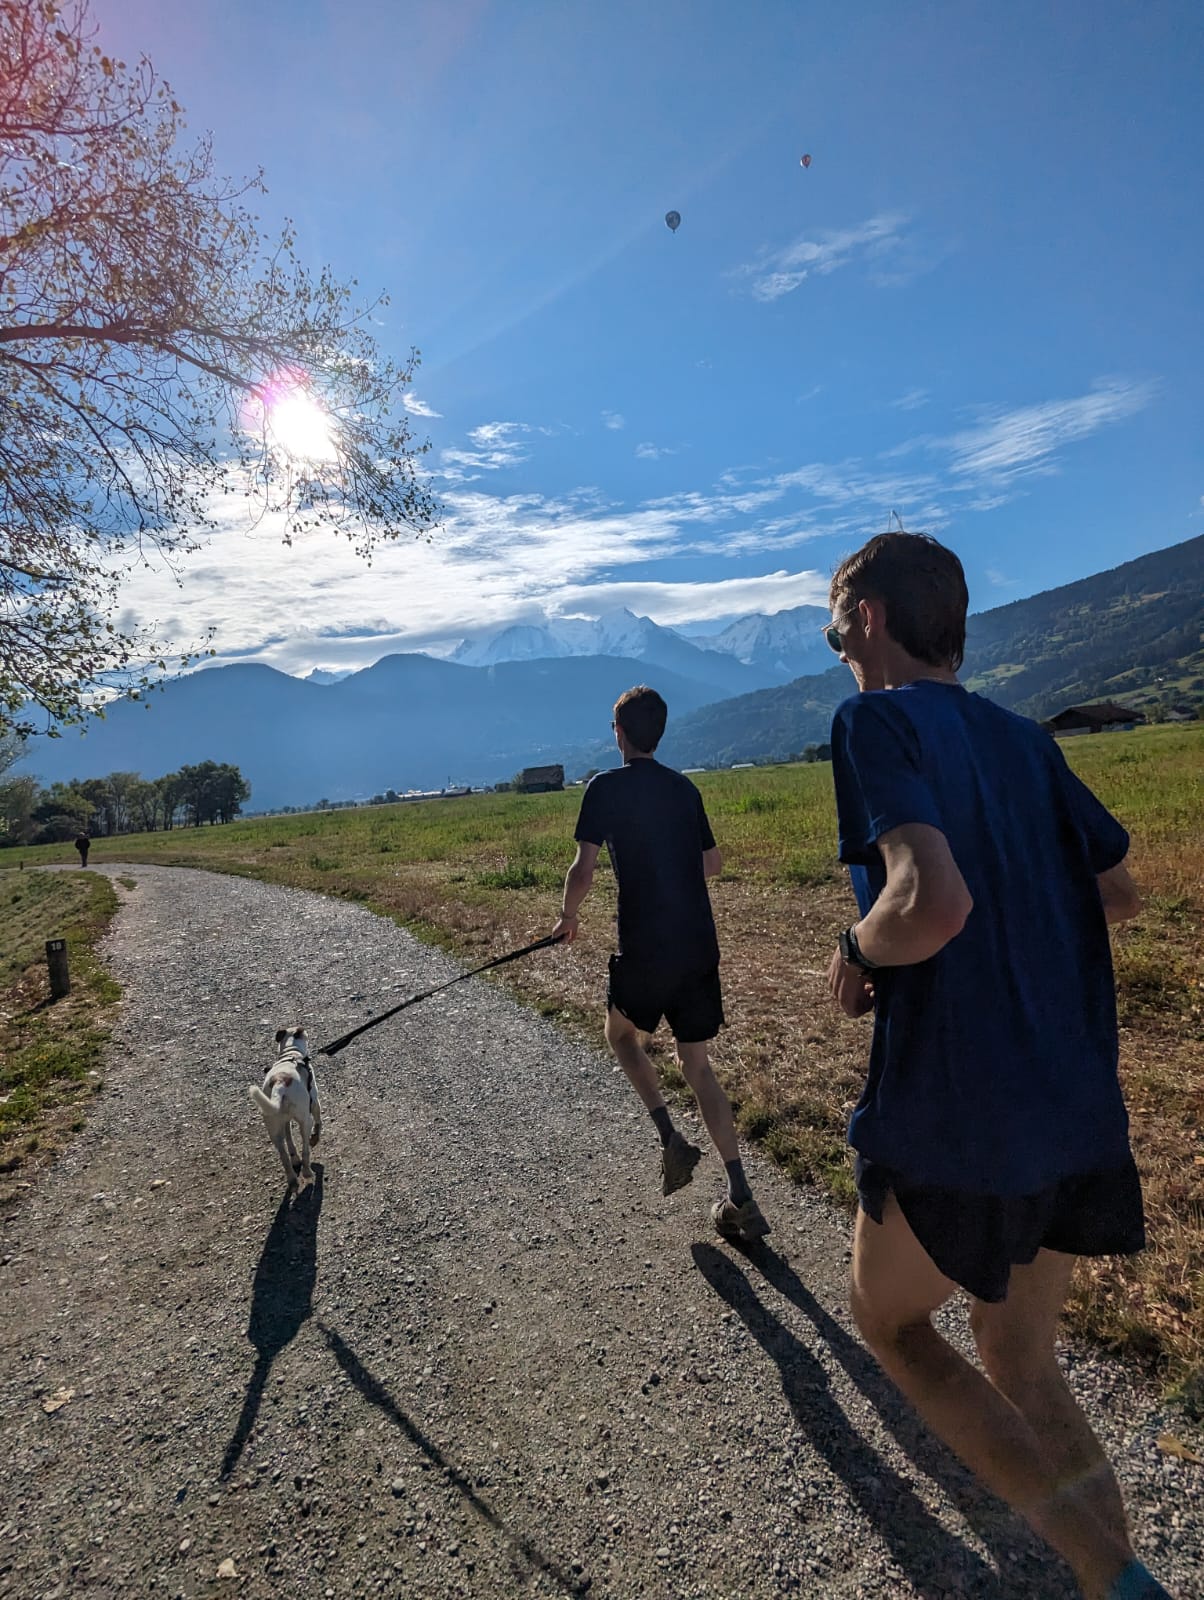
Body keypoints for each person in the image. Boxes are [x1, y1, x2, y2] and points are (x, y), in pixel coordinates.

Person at [822, 531, 1173, 1600]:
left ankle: (1115, 1578)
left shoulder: (873, 719)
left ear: (871, 617)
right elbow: (1117, 892)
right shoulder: (1025, 740)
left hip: (957, 1114)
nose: (836, 643)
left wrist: (856, 950)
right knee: (1022, 1358)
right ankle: (1117, 1581)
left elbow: (929, 903)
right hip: (1073, 1105)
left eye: (836, 623)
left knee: (888, 1321)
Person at [552, 685, 770, 1244]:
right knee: (697, 1065)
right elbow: (713, 864)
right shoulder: (684, 788)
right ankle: (740, 1194)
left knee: (621, 1035)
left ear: (619, 733)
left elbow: (583, 869)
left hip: (646, 948)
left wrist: (568, 917)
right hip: (697, 946)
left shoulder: (604, 787)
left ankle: (670, 1138)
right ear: (660, 733)